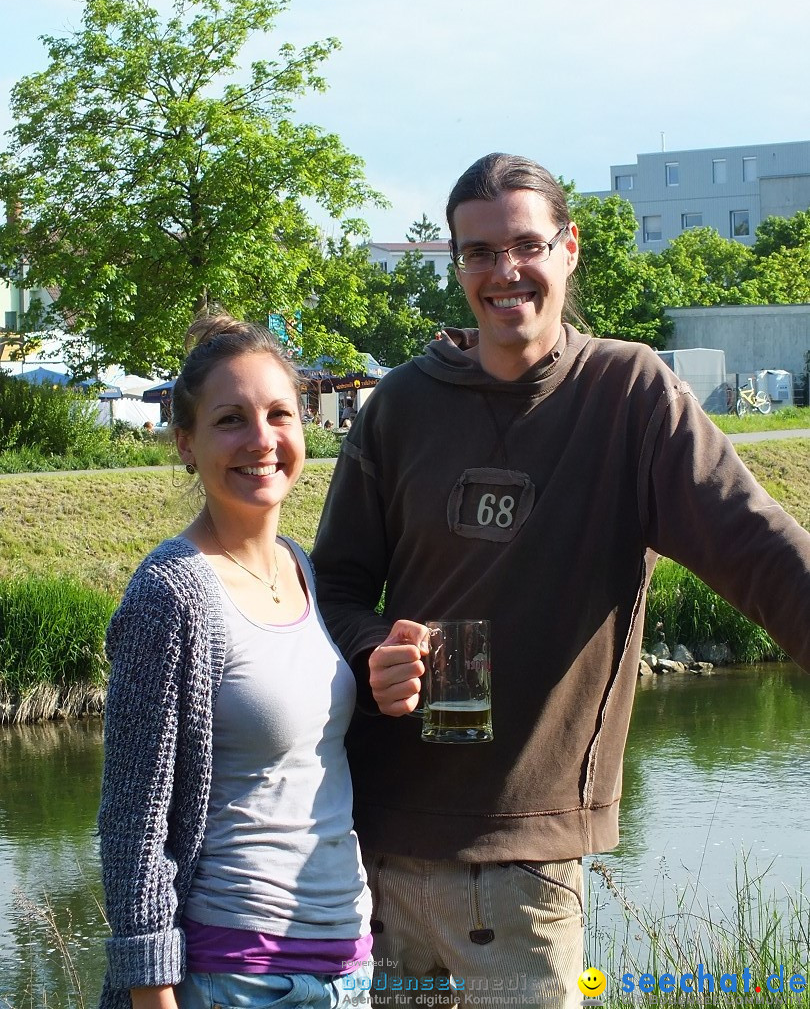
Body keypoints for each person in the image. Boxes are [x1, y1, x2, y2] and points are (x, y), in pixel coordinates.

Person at [310, 153, 810, 1007]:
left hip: (525, 871)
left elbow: (757, 548)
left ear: (569, 248)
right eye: (477, 253)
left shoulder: (630, 396)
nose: (503, 272)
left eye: (525, 245)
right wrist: (370, 651)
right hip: (380, 854)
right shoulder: (401, 405)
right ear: (456, 264)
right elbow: (334, 590)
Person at [97, 314, 372, 1009]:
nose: (261, 440)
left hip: (349, 969)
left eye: (280, 413)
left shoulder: (301, 566)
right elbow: (134, 828)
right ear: (185, 443)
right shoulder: (172, 593)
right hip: (236, 979)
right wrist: (153, 993)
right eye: (230, 420)